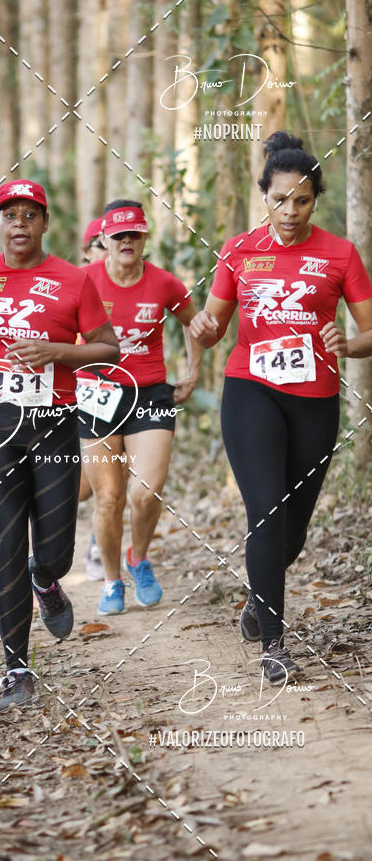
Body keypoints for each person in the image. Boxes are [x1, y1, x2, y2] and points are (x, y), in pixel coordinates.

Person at [190, 131, 372, 685]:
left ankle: (257, 596)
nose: (289, 211)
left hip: (315, 399)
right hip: (252, 390)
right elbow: (216, 324)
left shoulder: (339, 253)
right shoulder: (240, 250)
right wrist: (203, 327)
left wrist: (349, 344)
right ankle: (274, 642)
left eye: (301, 200)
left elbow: (371, 332)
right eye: (278, 199)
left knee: (290, 529)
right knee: (266, 511)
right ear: (263, 195)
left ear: (315, 198)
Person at [0, 179, 119, 710]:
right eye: (9, 214)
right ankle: (17, 669)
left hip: (55, 421)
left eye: (30, 215)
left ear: (45, 224)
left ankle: (47, 581)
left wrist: (57, 351)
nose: (19, 223)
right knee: (6, 546)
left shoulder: (75, 280)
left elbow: (108, 346)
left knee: (54, 551)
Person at [78, 200, 202, 615]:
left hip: (149, 392)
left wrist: (194, 372)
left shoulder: (165, 283)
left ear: (144, 238)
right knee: (108, 499)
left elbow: (193, 322)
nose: (127, 241)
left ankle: (139, 558)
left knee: (145, 492)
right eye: (118, 236)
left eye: (134, 234)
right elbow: (56, 329)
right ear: (103, 241)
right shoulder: (82, 280)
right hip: (96, 392)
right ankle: (112, 581)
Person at [79, 217, 110, 580]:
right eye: (100, 244)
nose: (108, 251)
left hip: (123, 392)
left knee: (113, 479)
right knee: (83, 489)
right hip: (75, 393)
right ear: (88, 251)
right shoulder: (71, 283)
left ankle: (97, 547)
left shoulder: (137, 280)